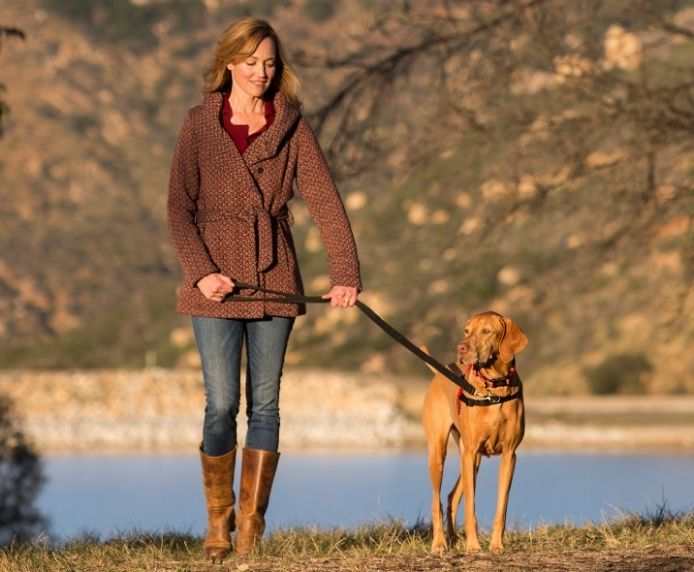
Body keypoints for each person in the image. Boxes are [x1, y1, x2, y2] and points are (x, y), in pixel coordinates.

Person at [166, 17, 362, 562]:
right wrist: (202, 271)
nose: (261, 72)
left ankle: (251, 527)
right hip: (213, 285)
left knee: (267, 403)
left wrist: (345, 273)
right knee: (221, 403)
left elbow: (325, 201)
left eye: (270, 63)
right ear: (230, 62)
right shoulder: (199, 125)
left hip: (274, 276)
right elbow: (178, 209)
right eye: (251, 61)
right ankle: (218, 522)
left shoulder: (292, 126)